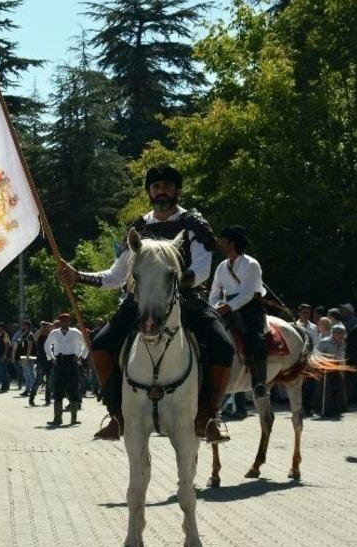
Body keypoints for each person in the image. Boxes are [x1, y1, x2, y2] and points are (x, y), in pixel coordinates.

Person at [59, 163, 234, 443]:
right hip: (140, 299)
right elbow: (117, 276)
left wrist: (175, 282)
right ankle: (117, 415)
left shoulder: (193, 223)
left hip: (185, 296)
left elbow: (202, 267)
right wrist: (78, 277)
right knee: (101, 345)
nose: (161, 191)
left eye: (166, 186)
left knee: (223, 346)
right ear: (149, 192)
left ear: (177, 190)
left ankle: (209, 416)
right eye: (155, 187)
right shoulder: (139, 227)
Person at [209, 225, 268, 400]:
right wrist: (215, 306)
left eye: (224, 240)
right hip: (225, 307)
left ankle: (259, 383)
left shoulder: (251, 264)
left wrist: (226, 307)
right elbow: (214, 292)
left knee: (255, 339)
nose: (220, 243)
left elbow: (248, 293)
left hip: (250, 307)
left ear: (233, 243)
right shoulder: (221, 266)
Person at [44, 313, 88, 426]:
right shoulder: (54, 333)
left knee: (73, 388)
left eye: (67, 321)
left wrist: (81, 357)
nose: (65, 323)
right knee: (58, 389)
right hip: (59, 362)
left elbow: (86, 344)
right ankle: (57, 419)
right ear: (60, 322)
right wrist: (51, 358)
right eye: (62, 321)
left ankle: (73, 419)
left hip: (72, 361)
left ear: (69, 322)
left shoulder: (75, 332)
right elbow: (47, 345)